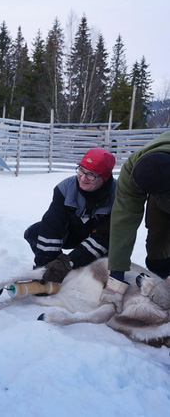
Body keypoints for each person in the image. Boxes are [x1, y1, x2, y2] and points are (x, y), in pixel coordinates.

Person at [23, 148, 117, 284]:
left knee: (100, 271)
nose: (83, 178)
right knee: (33, 233)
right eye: (81, 170)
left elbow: (104, 238)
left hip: (100, 242)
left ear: (105, 177)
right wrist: (45, 266)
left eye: (91, 174)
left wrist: (68, 263)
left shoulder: (118, 197)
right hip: (72, 234)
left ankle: (78, 268)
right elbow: (52, 227)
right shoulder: (65, 188)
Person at [107, 131, 170, 311]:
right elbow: (123, 221)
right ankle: (160, 275)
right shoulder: (132, 170)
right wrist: (116, 275)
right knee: (158, 237)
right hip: (161, 191)